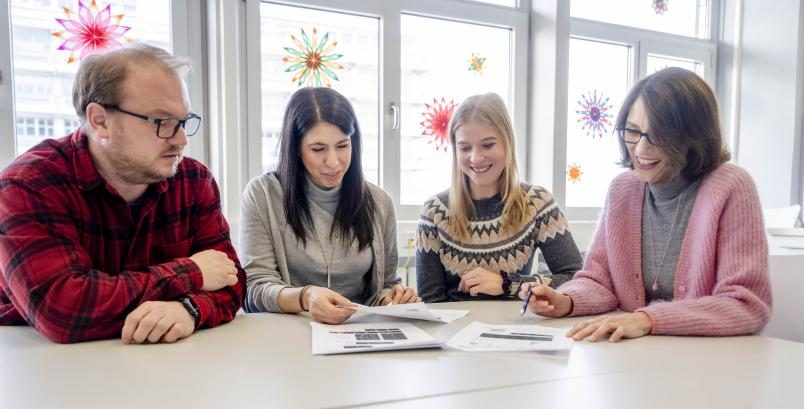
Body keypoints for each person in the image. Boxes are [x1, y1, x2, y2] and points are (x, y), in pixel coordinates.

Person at [0, 44, 245, 344]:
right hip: (38, 361)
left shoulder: (193, 180)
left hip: (163, 361)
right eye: (162, 122)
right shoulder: (28, 185)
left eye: (182, 121)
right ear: (100, 121)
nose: (181, 139)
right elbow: (62, 310)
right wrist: (192, 272)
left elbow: (230, 281)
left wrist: (189, 309)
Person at [521, 67, 772, 342]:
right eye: (633, 131)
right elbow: (599, 280)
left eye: (658, 135)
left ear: (694, 136)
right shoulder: (623, 189)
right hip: (638, 358)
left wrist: (647, 320)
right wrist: (567, 300)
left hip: (707, 365)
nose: (640, 149)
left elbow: (746, 304)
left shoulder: (731, 186)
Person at [240, 87, 418, 325]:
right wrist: (305, 297)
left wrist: (394, 299)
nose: (333, 162)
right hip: (289, 335)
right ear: (296, 149)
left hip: (359, 333)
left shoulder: (379, 202)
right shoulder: (263, 195)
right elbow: (254, 288)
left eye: (343, 146)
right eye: (318, 149)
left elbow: (385, 285)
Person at [416, 93, 583, 303]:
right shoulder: (434, 212)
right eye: (465, 148)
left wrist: (508, 284)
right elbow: (430, 303)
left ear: (507, 144)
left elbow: (576, 278)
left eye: (487, 145)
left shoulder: (537, 203)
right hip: (453, 332)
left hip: (515, 330)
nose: (476, 158)